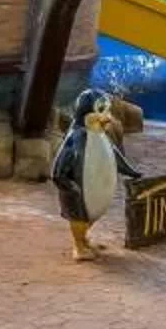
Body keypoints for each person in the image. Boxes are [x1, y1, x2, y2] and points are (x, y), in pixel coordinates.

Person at [49, 92, 138, 260]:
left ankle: (83, 240)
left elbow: (115, 156)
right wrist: (68, 186)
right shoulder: (75, 139)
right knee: (80, 217)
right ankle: (79, 246)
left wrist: (130, 171)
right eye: (101, 111)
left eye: (107, 111)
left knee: (91, 214)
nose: (108, 118)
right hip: (78, 194)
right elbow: (58, 170)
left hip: (94, 193)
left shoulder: (101, 136)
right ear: (85, 113)